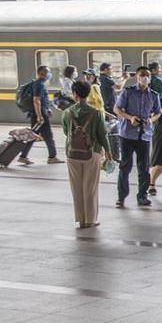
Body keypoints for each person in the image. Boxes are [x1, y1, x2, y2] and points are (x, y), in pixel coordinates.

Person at [61, 78, 112, 229]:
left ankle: (81, 219)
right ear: (88, 93)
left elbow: (66, 132)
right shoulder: (96, 113)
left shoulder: (67, 113)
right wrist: (108, 151)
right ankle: (90, 220)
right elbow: (102, 134)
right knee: (90, 187)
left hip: (72, 153)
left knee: (76, 187)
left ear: (74, 93)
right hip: (92, 153)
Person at [113, 66, 160, 208]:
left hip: (144, 135)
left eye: (147, 75)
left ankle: (142, 196)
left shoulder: (154, 95)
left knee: (144, 168)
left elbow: (158, 112)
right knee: (125, 167)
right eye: (142, 75)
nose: (144, 78)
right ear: (137, 76)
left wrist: (151, 120)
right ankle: (121, 197)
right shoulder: (128, 92)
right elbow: (117, 109)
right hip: (127, 134)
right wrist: (130, 117)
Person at [16, 65, 62, 166]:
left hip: (39, 113)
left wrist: (47, 109)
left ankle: (23, 157)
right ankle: (52, 157)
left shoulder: (38, 84)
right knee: (48, 136)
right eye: (48, 72)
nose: (50, 74)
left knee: (32, 136)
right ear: (42, 73)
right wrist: (40, 116)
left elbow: (41, 100)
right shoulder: (39, 85)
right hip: (40, 115)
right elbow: (36, 100)